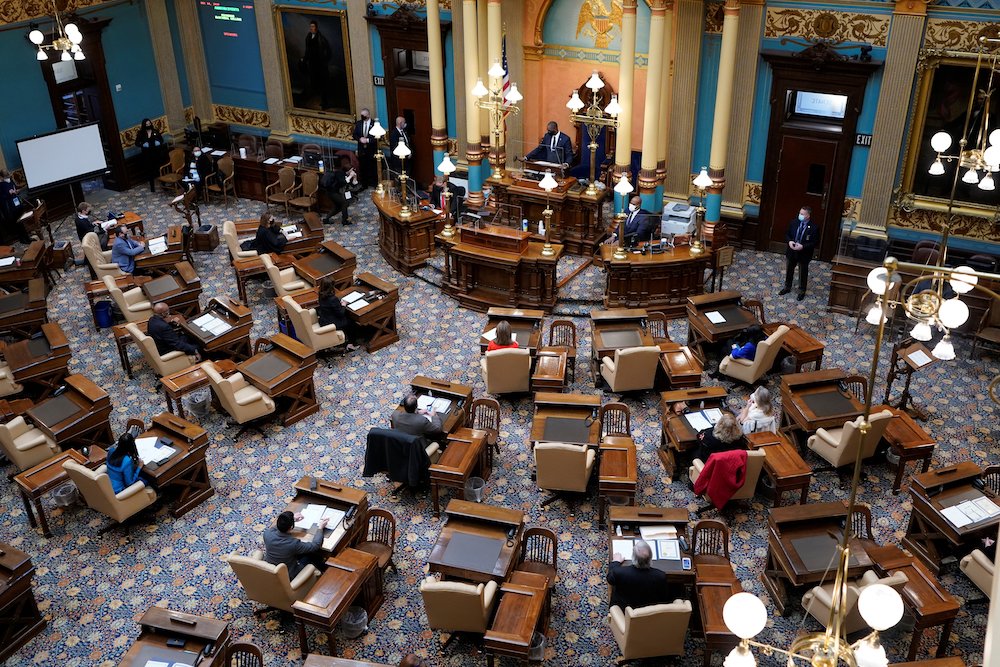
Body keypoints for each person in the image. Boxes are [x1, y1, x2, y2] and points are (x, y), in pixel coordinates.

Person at [607, 539, 684, 610]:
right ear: (650, 558)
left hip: (625, 612)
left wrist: (615, 562)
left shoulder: (620, 573)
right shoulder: (660, 576)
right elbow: (664, 595)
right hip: (650, 612)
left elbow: (610, 578)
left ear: (633, 557)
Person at [263, 510, 328, 580]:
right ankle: (326, 570)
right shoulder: (292, 544)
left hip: (271, 568)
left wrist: (292, 519)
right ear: (291, 527)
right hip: (289, 574)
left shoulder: (267, 533)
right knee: (311, 555)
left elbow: (276, 527)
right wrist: (320, 528)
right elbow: (315, 545)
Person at [780, 205, 819, 301]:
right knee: (789, 269)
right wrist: (789, 241)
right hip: (792, 251)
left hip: (804, 253)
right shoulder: (794, 222)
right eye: (800, 213)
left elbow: (815, 242)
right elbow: (787, 234)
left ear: (808, 216)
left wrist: (803, 246)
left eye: (802, 214)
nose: (800, 215)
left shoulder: (814, 227)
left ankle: (801, 291)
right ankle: (787, 287)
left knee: (803, 272)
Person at [315, 279, 361, 349]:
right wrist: (343, 305)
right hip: (332, 323)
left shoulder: (320, 294)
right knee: (352, 323)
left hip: (323, 320)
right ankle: (350, 344)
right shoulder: (333, 299)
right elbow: (341, 314)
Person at [303, 21, 331, 109]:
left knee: (323, 83)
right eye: (310, 26)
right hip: (312, 64)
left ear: (316, 28)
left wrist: (325, 60)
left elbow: (328, 51)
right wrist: (304, 59)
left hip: (321, 64)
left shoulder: (321, 38)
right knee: (314, 82)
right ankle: (313, 99)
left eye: (313, 26)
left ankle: (325, 103)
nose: (311, 28)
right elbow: (307, 50)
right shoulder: (308, 37)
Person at [322, 159, 357, 225]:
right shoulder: (339, 174)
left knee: (337, 207)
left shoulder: (347, 175)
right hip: (332, 192)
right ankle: (345, 220)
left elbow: (353, 186)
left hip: (337, 192)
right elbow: (343, 182)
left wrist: (355, 178)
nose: (353, 171)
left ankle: (326, 219)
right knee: (344, 203)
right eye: (352, 170)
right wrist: (350, 176)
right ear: (348, 170)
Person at [134, 118, 164, 192]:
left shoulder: (155, 131)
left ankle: (163, 184)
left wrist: (159, 142)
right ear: (144, 125)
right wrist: (143, 145)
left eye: (149, 124)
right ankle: (152, 188)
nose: (148, 125)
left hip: (156, 154)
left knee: (159, 170)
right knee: (150, 172)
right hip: (147, 155)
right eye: (146, 124)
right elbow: (137, 143)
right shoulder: (141, 133)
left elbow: (161, 140)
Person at [0, 169, 28, 244]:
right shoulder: (1, 185)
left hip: (17, 204)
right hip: (11, 208)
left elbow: (15, 188)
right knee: (17, 223)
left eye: (8, 176)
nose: (8, 178)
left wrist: (16, 191)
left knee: (21, 221)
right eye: (6, 176)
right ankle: (23, 239)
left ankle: (27, 237)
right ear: (2, 177)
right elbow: (2, 198)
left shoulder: (10, 181)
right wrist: (8, 193)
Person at [353, 108, 377, 189]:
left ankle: (374, 184)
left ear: (368, 115)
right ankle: (364, 185)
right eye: (361, 115)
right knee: (363, 168)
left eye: (364, 115)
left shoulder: (374, 124)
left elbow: (377, 137)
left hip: (371, 150)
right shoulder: (359, 123)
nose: (362, 117)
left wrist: (367, 140)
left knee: (373, 167)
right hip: (362, 150)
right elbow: (355, 135)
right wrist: (360, 139)